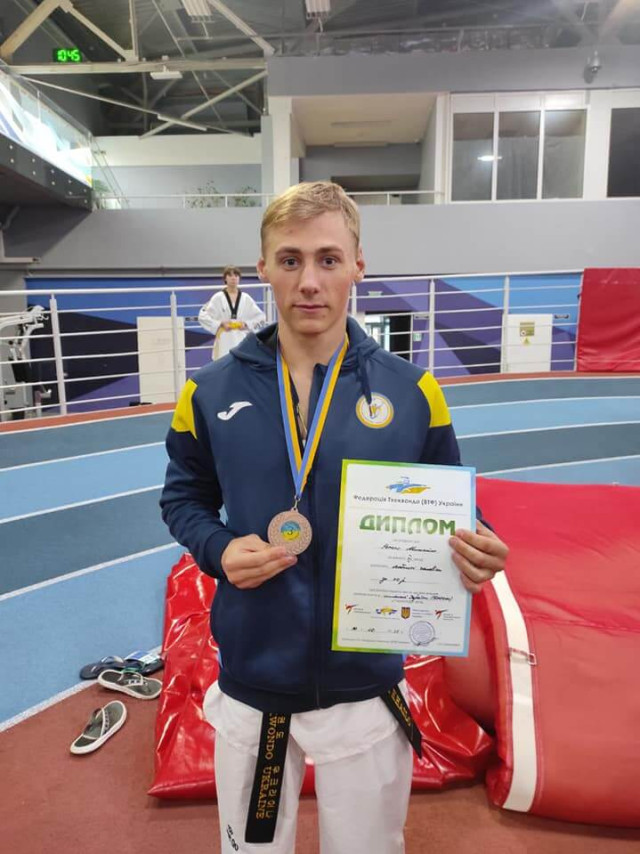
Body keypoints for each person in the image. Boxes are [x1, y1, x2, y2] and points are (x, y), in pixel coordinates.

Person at [160, 181, 508, 854]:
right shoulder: (207, 392)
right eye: (290, 260)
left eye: (328, 259)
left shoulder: (414, 391)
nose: (310, 281)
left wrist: (480, 544)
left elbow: (454, 507)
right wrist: (217, 549)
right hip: (256, 684)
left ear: (358, 266)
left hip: (364, 684)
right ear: (263, 268)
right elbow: (183, 499)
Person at [198, 265, 266, 360]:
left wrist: (246, 324)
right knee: (223, 364)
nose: (233, 278)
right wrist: (220, 323)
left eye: (236, 275)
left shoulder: (246, 298)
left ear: (239, 278)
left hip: (241, 338)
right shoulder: (218, 297)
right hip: (224, 339)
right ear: (225, 278)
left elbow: (261, 317)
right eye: (230, 275)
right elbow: (202, 316)